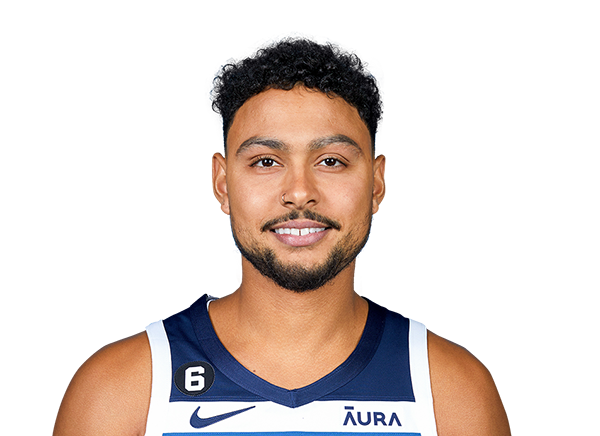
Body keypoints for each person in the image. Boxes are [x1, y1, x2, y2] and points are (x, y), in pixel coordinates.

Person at [55, 39, 510, 436]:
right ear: (222, 183)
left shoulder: (450, 393)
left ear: (376, 182)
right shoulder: (123, 391)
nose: (299, 191)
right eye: (265, 162)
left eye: (331, 161)